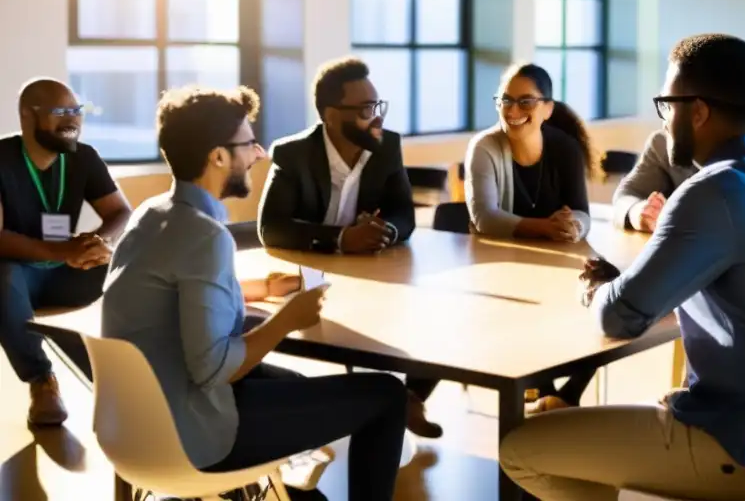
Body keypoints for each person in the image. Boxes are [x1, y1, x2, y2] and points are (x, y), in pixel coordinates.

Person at [499, 34, 745, 501]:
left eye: (666, 104)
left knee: (520, 448)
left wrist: (597, 288)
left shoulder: (713, 191)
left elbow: (620, 317)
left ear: (697, 110)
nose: (665, 120)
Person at [102, 86, 408, 501]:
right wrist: (288, 319)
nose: (259, 154)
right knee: (386, 395)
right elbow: (212, 369)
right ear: (218, 156)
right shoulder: (204, 236)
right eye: (248, 143)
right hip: (194, 435)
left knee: (296, 384)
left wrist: (260, 289)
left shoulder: (151, 215)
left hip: (132, 424)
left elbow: (174, 299)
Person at [257, 57, 440, 439]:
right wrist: (341, 238)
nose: (377, 118)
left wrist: (385, 231)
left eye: (378, 106)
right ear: (330, 114)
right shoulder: (293, 153)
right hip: (311, 276)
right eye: (365, 110)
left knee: (434, 310)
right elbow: (271, 228)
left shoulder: (387, 145)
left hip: (373, 271)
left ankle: (403, 400)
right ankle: (389, 407)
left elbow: (403, 212)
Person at [465, 63, 598, 413]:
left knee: (605, 301)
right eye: (505, 100)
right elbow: (485, 218)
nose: (512, 111)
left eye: (525, 102)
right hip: (498, 272)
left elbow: (583, 212)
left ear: (547, 109)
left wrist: (573, 225)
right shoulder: (485, 147)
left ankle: (562, 396)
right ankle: (545, 398)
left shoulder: (565, 148)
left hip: (557, 267)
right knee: (530, 320)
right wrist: (545, 227)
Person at [0, 78, 131, 426]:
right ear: (27, 116)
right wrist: (64, 251)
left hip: (66, 272)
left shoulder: (84, 157)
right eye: (61, 112)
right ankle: (42, 381)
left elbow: (121, 212)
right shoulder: (1, 158)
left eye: (77, 110)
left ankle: (141, 375)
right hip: (18, 276)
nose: (73, 120)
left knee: (131, 266)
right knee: (3, 277)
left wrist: (99, 242)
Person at [611, 131, 694, 232]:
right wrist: (641, 212)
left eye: (668, 113)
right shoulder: (663, 144)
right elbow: (624, 196)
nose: (664, 122)